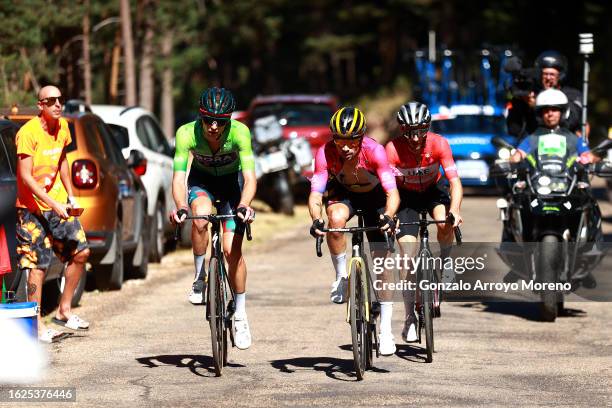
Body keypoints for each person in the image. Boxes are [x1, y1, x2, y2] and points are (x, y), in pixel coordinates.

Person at [308, 106, 400, 355]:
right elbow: (316, 193)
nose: (345, 147)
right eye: (340, 140)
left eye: (351, 141)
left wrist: (389, 217)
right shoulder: (325, 153)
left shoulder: (375, 152)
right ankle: (341, 277)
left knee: (383, 264)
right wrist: (316, 219)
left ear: (361, 138)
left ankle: (386, 331)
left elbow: (392, 192)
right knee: (334, 220)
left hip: (375, 199)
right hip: (345, 195)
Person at [170, 87, 256, 350]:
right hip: (202, 183)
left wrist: (245, 204)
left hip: (232, 186)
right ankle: (199, 277)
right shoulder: (186, 133)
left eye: (221, 121)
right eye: (208, 120)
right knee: (199, 219)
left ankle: (240, 313)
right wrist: (181, 205)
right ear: (201, 117)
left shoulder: (241, 132)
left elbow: (251, 177)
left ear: (229, 120)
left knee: (232, 252)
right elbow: (178, 176)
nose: (214, 127)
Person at [15, 85, 90, 343]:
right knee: (38, 265)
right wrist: (51, 203)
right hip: (32, 209)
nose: (58, 105)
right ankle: (35, 325)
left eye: (60, 100)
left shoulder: (63, 128)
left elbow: (62, 162)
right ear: (40, 105)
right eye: (51, 101)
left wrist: (70, 195)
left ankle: (64, 310)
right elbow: (25, 177)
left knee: (81, 252)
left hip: (57, 203)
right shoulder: (28, 133)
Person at [385, 101, 463, 343]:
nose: (416, 137)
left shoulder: (439, 143)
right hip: (405, 197)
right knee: (407, 254)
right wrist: (390, 214)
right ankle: (410, 317)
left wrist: (456, 210)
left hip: (433, 191)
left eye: (420, 130)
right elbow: (388, 187)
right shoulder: (393, 149)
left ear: (427, 127)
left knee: (444, 223)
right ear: (401, 129)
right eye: (409, 131)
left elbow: (455, 182)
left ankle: (445, 263)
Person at [510, 89, 596, 165]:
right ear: (540, 114)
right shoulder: (532, 138)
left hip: (568, 181)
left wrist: (591, 159)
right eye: (546, 110)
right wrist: (514, 158)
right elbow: (519, 154)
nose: (550, 114)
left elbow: (588, 155)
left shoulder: (573, 138)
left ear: (562, 113)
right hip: (538, 181)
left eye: (554, 110)